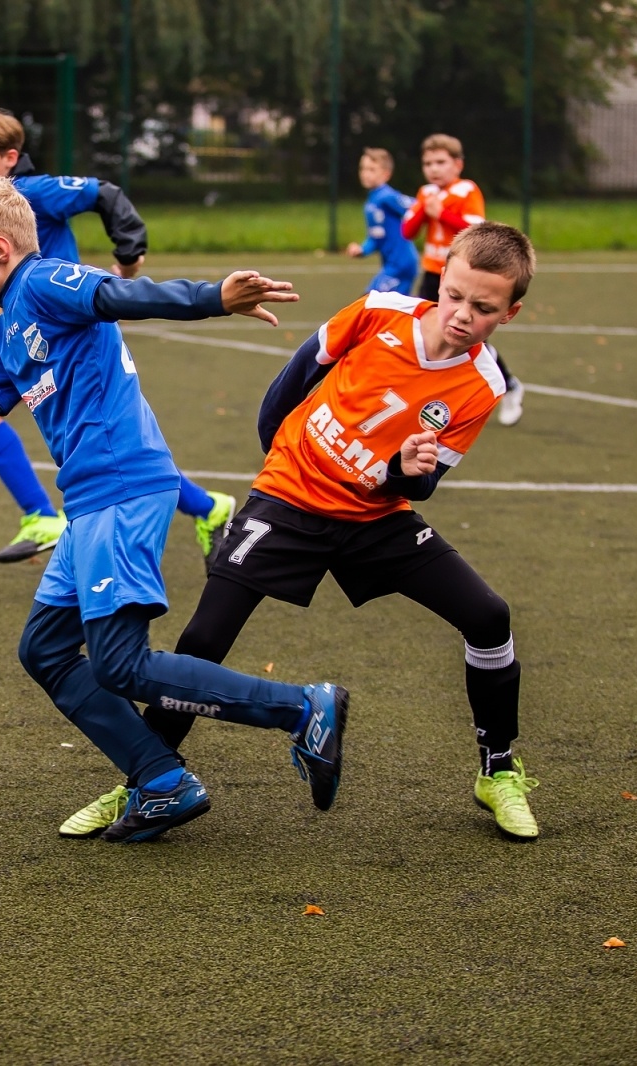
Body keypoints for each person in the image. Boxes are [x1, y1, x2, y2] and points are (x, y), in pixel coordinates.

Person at [0, 179, 348, 843]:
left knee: (120, 664)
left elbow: (117, 294)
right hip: (90, 503)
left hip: (124, 488)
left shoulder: (46, 281)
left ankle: (303, 708)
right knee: (46, 650)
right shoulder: (6, 335)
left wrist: (211, 298)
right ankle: (162, 780)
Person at [63, 222, 543, 842]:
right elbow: (293, 380)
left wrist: (404, 469)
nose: (461, 314)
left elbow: (416, 488)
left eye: (482, 308)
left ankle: (497, 770)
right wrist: (276, 467)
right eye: (453, 295)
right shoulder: (379, 312)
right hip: (289, 495)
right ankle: (148, 775)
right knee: (205, 636)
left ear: (510, 314)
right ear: (442, 277)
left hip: (374, 516)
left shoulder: (482, 386)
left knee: (489, 616)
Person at [0, 107, 235, 563]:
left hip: (70, 330)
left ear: (10, 158)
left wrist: (128, 256)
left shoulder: (32, 191)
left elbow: (105, 195)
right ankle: (200, 509)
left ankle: (53, 515)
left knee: (98, 441)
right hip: (29, 330)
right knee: (11, 422)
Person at [401, 133, 527, 427]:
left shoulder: (466, 190)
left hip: (464, 280)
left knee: (470, 339)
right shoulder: (425, 193)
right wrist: (425, 208)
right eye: (428, 163)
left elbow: (475, 228)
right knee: (426, 330)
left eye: (441, 162)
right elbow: (407, 231)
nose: (434, 169)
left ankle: (508, 386)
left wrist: (441, 213)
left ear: (457, 164)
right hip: (434, 273)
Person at [344, 147, 418, 296]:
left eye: (372, 169)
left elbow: (417, 206)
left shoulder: (387, 196)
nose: (365, 173)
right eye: (363, 169)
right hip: (391, 264)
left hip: (401, 263)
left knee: (369, 303)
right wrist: (362, 249)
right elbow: (376, 238)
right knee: (390, 312)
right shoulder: (371, 202)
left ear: (386, 174)